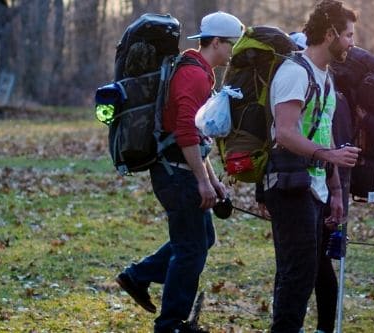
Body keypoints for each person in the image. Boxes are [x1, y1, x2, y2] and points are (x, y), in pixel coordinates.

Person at [115, 11, 243, 333]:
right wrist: (202, 182)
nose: (233, 52)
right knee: (190, 251)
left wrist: (215, 184)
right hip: (176, 174)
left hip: (182, 169)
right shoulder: (194, 76)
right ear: (216, 42)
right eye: (231, 45)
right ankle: (170, 324)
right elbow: (186, 133)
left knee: (201, 240)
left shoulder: (200, 73)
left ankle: (138, 276)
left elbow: (200, 139)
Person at [263, 1, 360, 332]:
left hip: (315, 186)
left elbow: (323, 130)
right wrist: (329, 156)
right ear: (330, 33)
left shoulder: (326, 77)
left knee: (309, 269)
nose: (351, 42)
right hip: (290, 184)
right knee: (297, 273)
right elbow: (285, 132)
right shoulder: (294, 72)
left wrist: (334, 188)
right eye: (347, 35)